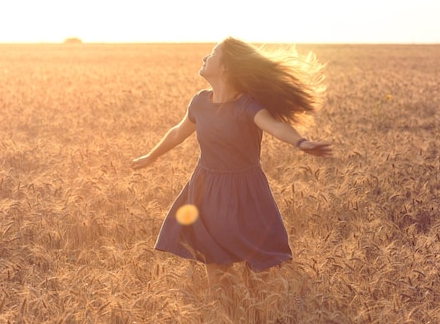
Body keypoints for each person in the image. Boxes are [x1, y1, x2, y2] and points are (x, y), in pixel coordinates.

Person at [131, 37, 332, 295]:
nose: (205, 57)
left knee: (260, 267)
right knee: (213, 262)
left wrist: (301, 142)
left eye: (213, 53)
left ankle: (261, 311)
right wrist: (151, 156)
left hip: (246, 191)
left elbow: (274, 125)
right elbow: (177, 133)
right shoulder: (200, 102)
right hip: (206, 188)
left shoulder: (246, 105)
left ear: (225, 67)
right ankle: (222, 311)